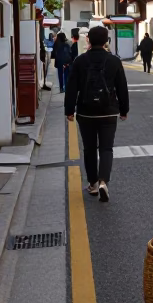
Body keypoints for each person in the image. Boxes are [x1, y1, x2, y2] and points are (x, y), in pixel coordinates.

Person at [65, 25, 130, 202]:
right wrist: (124, 110)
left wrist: (69, 110)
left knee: (89, 148)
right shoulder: (114, 61)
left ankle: (92, 184)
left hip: (86, 112)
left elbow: (72, 87)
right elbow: (122, 87)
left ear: (88, 40)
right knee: (107, 148)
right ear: (106, 41)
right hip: (108, 112)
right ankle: (103, 181)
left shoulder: (80, 61)